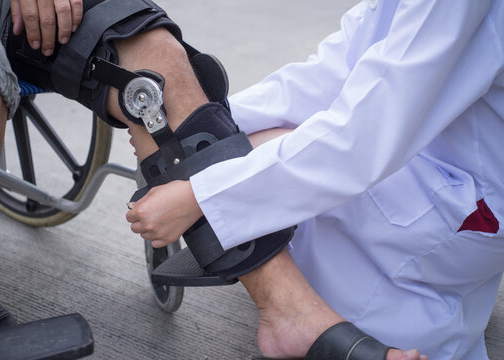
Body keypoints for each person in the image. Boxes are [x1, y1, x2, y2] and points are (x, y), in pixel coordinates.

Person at [124, 0, 504, 359]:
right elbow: (335, 70)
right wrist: (210, 129)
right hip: (424, 161)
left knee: (141, 55)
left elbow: (369, 131)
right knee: (237, 138)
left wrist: (203, 195)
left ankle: (294, 313)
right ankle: (289, 306)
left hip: (457, 202)